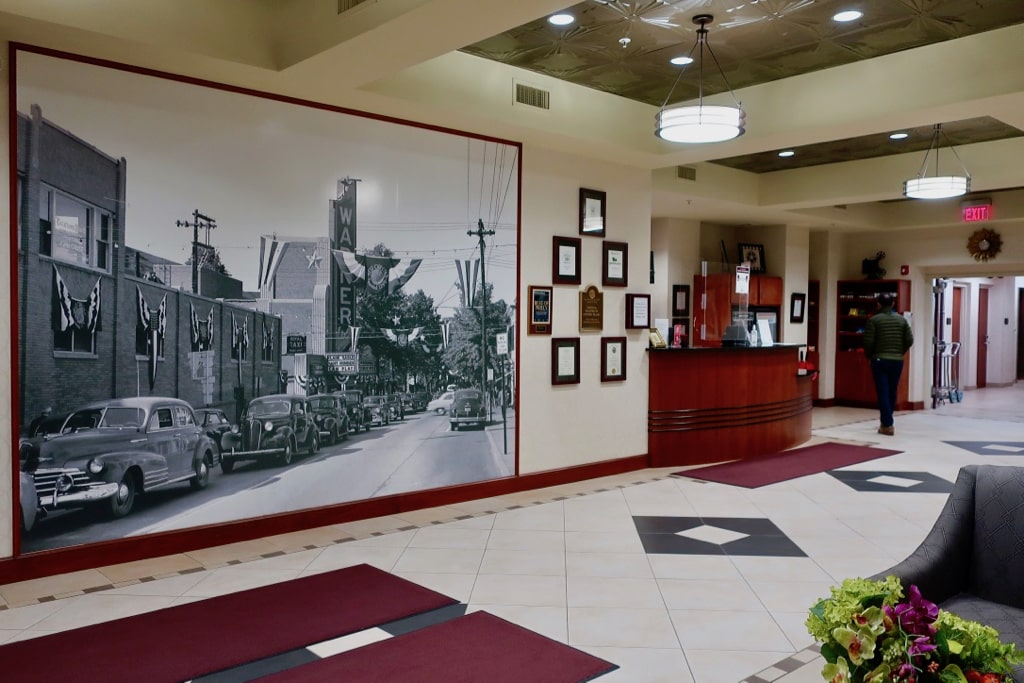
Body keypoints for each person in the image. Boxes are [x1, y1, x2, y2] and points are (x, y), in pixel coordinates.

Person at [863, 292, 913, 436]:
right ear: (892, 304)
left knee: (882, 391)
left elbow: (868, 342)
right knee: (892, 391)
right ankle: (887, 420)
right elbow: (909, 340)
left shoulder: (874, 320)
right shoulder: (902, 321)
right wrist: (900, 352)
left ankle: (887, 424)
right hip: (897, 360)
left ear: (878, 304)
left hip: (879, 360)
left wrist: (870, 356)